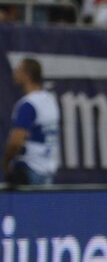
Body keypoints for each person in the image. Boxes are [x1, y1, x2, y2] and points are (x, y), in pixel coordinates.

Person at [4, 57, 60, 186]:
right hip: (48, 169)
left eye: (18, 70)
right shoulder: (50, 100)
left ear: (27, 75)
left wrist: (6, 162)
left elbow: (15, 142)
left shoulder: (28, 104)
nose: (14, 74)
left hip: (29, 168)